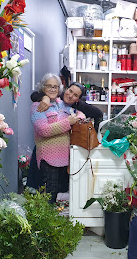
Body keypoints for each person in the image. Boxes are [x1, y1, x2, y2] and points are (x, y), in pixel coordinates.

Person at [27, 82, 103, 191]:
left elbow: (98, 114)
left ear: (78, 99)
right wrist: (45, 98)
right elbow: (34, 95)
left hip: (64, 147)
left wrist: (94, 133)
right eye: (70, 91)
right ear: (66, 89)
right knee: (39, 180)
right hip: (46, 147)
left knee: (57, 185)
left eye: (75, 95)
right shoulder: (57, 97)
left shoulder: (79, 105)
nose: (71, 95)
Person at [30, 73, 84, 204]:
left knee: (61, 192)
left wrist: (79, 118)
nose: (52, 89)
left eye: (55, 86)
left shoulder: (62, 104)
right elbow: (43, 130)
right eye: (49, 86)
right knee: (49, 193)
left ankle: (55, 221)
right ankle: (46, 223)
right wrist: (68, 122)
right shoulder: (38, 106)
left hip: (65, 158)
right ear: (43, 87)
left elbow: (79, 115)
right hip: (48, 158)